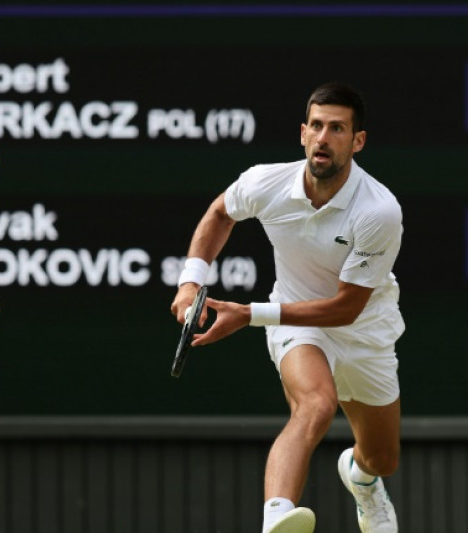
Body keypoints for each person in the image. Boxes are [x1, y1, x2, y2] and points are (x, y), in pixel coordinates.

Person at [170, 82, 403, 533]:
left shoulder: (379, 211)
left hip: (364, 330)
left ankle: (362, 479)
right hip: (298, 325)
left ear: (358, 142)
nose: (323, 137)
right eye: (316, 126)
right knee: (315, 404)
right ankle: (276, 518)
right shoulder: (266, 182)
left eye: (337, 128)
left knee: (382, 458)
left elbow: (346, 309)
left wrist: (248, 314)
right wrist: (190, 280)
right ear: (302, 133)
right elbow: (220, 213)